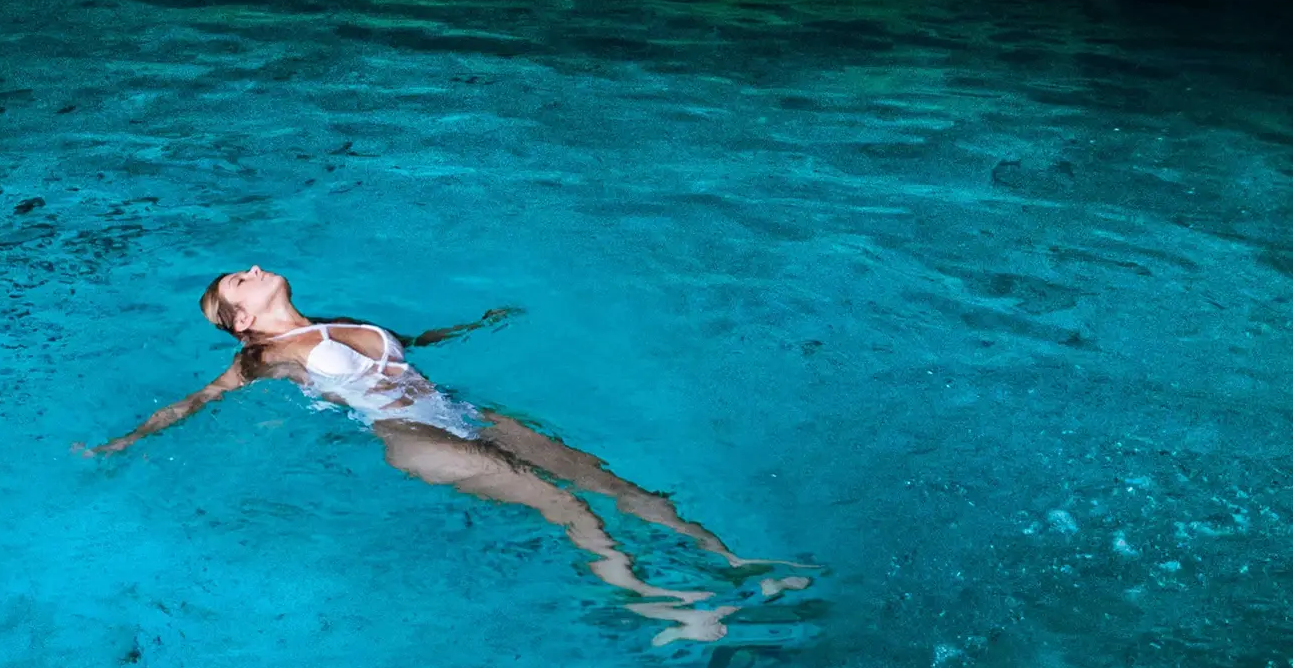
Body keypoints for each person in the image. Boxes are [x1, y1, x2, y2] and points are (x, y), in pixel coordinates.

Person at [77, 265, 806, 645]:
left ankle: (741, 567)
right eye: (240, 279)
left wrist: (479, 323)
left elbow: (412, 346)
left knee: (613, 483)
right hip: (413, 438)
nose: (255, 268)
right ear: (239, 319)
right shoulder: (264, 358)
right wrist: (123, 443)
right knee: (565, 503)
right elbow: (195, 401)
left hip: (459, 411)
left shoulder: (339, 320)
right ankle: (662, 606)